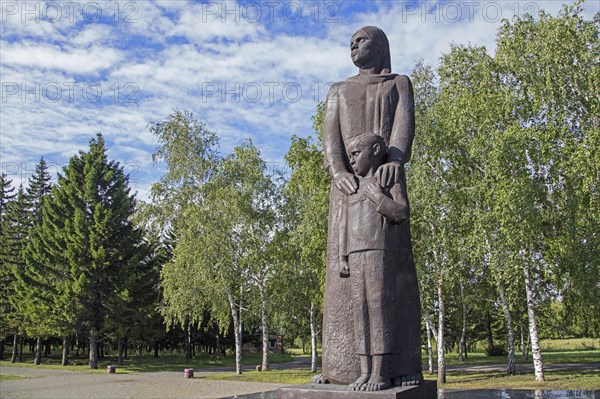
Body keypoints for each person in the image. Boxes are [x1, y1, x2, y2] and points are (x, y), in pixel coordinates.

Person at [318, 26, 423, 389]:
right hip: (347, 191)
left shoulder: (399, 83)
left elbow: (403, 128)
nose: (353, 47)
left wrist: (395, 159)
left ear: (379, 48)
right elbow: (331, 141)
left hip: (384, 182)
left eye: (360, 41)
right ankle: (339, 368)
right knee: (343, 282)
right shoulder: (339, 90)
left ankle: (399, 365)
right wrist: (338, 172)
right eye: (350, 43)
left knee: (392, 284)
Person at [338, 133, 409, 391]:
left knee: (379, 308)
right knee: (360, 309)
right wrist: (342, 256)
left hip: (380, 250)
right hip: (356, 253)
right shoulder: (352, 186)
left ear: (376, 149)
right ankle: (365, 371)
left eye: (357, 153)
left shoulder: (388, 180)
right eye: (350, 155)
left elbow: (401, 213)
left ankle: (380, 372)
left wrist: (378, 197)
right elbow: (343, 224)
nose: (352, 160)